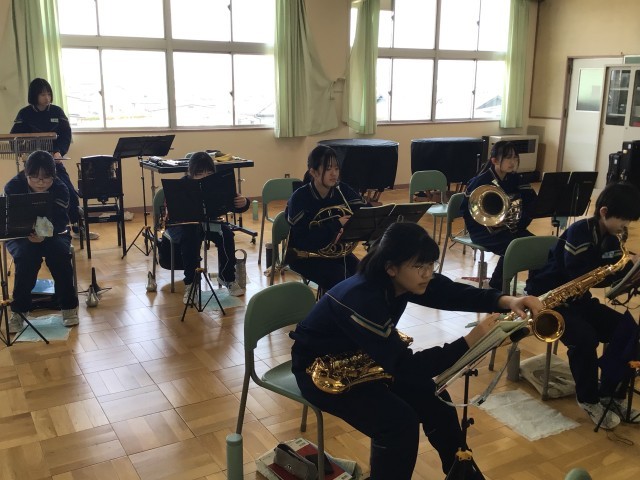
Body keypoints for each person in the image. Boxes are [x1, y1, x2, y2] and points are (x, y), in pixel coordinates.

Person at [290, 222, 543, 479]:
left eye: (431, 264)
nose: (427, 273)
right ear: (391, 267)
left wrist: (507, 301)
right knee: (398, 424)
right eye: (419, 266)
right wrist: (470, 340)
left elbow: (450, 292)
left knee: (438, 402)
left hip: (366, 358)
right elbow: (407, 368)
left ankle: (463, 475)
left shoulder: (399, 279)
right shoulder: (362, 299)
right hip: (320, 372)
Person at [526, 181, 640, 430]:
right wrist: (614, 273)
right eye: (623, 220)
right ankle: (588, 399)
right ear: (604, 212)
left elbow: (610, 274)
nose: (625, 227)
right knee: (585, 338)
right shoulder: (579, 232)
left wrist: (631, 273)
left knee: (629, 330)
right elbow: (576, 273)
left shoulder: (612, 237)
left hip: (577, 299)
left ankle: (611, 394)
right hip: (549, 300)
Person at [10, 78, 99, 240]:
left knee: (70, 192)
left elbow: (65, 135)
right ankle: (32, 231)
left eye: (49, 94)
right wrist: (25, 150)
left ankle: (78, 229)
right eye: (43, 94)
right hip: (33, 165)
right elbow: (14, 137)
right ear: (34, 95)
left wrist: (59, 152)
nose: (47, 97)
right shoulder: (25, 114)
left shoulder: (57, 112)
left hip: (54, 161)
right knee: (35, 198)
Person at [5, 150, 79, 333]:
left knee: (60, 255)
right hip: (20, 235)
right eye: (35, 177)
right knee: (26, 256)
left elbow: (61, 221)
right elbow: (9, 220)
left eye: (46, 178)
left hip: (55, 233)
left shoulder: (60, 188)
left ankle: (68, 307)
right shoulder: (13, 187)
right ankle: (19, 311)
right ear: (26, 173)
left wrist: (44, 234)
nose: (40, 182)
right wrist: (30, 233)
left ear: (54, 175)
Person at [165, 152, 249, 301]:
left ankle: (227, 277)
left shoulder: (218, 184)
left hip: (210, 223)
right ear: (191, 173)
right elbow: (172, 211)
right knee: (190, 238)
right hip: (186, 226)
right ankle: (191, 283)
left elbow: (234, 203)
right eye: (199, 174)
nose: (204, 177)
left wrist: (244, 202)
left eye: (209, 173)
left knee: (226, 234)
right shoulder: (182, 186)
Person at [285, 145, 367, 292]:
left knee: (364, 274)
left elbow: (364, 211)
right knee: (339, 277)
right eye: (328, 169)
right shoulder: (300, 198)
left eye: (336, 168)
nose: (334, 174)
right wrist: (336, 224)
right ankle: (331, 305)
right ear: (313, 172)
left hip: (335, 253)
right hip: (306, 256)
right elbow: (303, 240)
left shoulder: (341, 190)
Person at [460, 141, 537, 289]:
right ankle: (496, 286)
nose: (512, 162)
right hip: (483, 231)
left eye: (515, 157)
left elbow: (532, 203)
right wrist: (490, 223)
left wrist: (521, 222)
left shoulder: (516, 179)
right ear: (494, 160)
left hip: (511, 228)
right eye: (508, 158)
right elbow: (466, 210)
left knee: (537, 247)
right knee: (512, 248)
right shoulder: (480, 181)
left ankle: (534, 288)